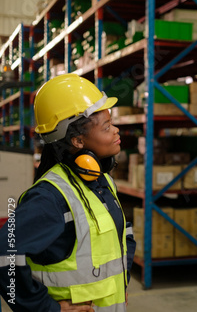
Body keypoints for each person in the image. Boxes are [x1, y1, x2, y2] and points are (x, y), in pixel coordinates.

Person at [0, 74, 136, 311]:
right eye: (106, 127)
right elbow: (4, 255)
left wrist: (120, 281)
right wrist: (45, 308)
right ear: (77, 141)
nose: (116, 131)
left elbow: (122, 237)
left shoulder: (103, 183)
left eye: (111, 123)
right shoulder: (50, 197)